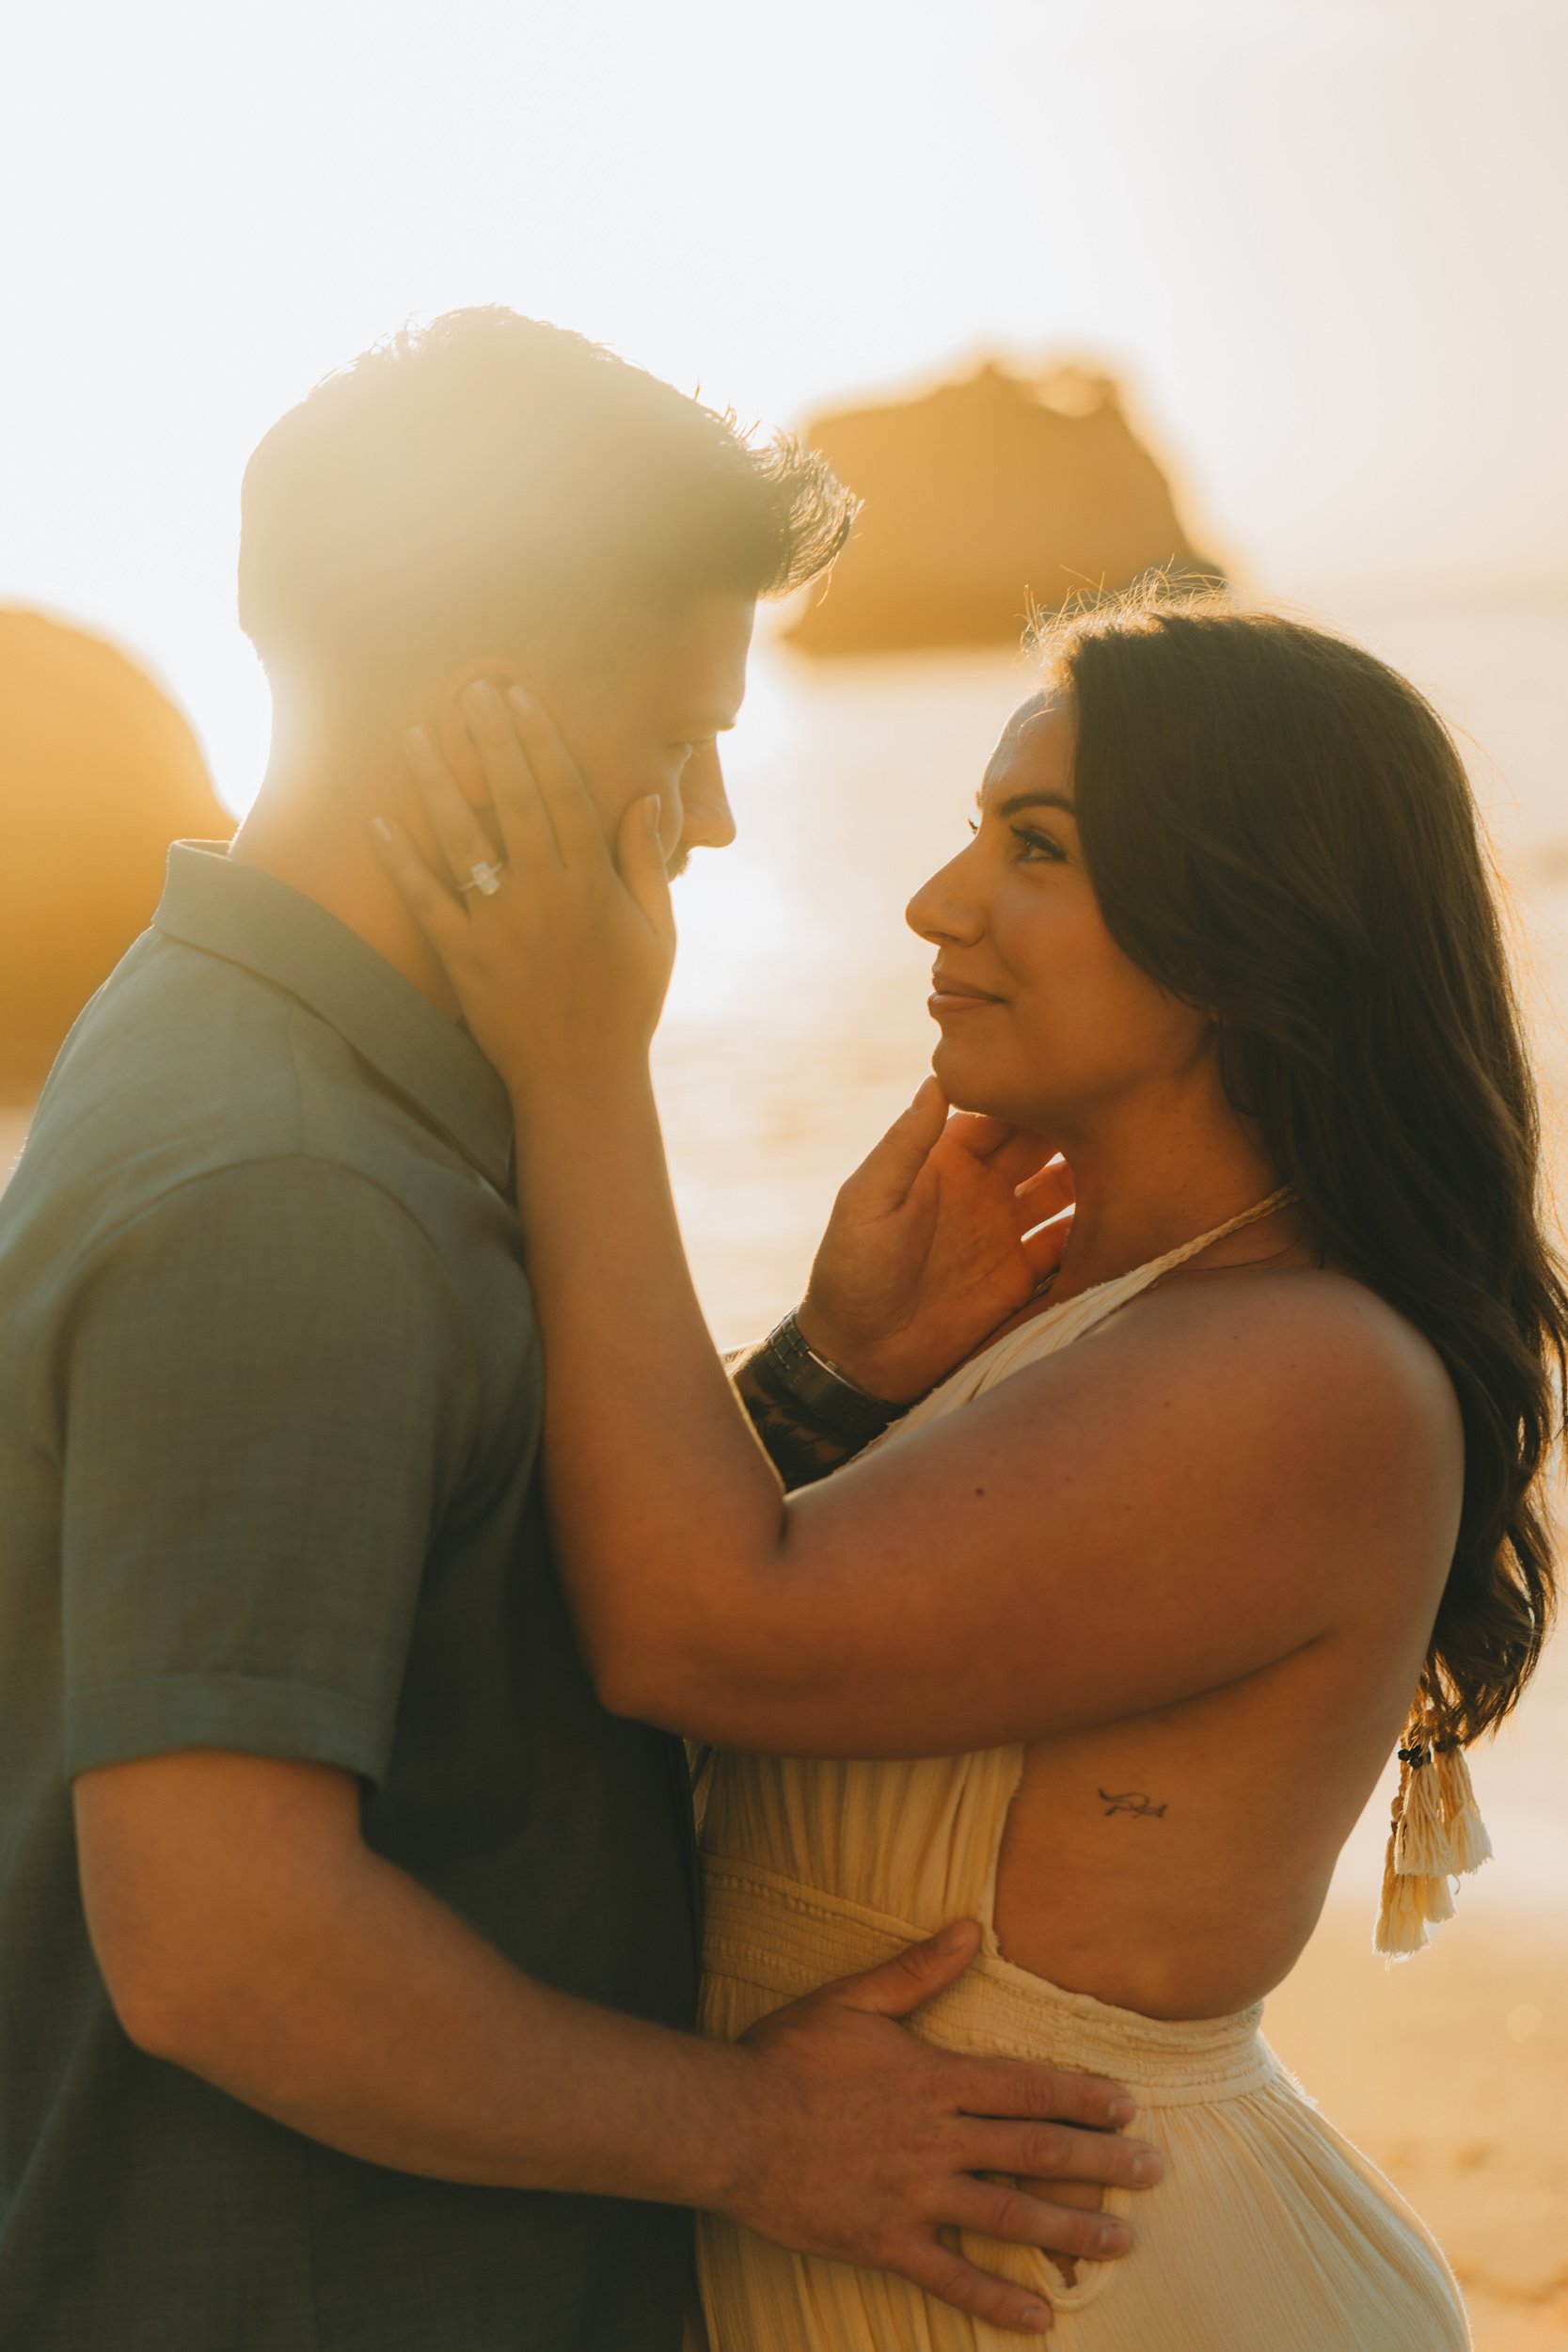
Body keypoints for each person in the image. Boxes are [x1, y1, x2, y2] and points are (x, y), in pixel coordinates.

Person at [0, 311, 1162, 2352]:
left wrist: (821, 1381)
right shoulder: (283, 1189)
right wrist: (767, 2138)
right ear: (494, 720)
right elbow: (221, 1934)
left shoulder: (295, 1071)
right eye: (677, 731)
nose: (711, 812)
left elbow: (436, 1597)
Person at [376, 585, 1568, 2350]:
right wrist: (834, 1369)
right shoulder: (1105, 1329)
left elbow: (692, 1633)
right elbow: (661, 1627)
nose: (939, 903)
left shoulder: (1310, 1373)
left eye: (1037, 846)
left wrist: (580, 1062)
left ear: (1248, 923)